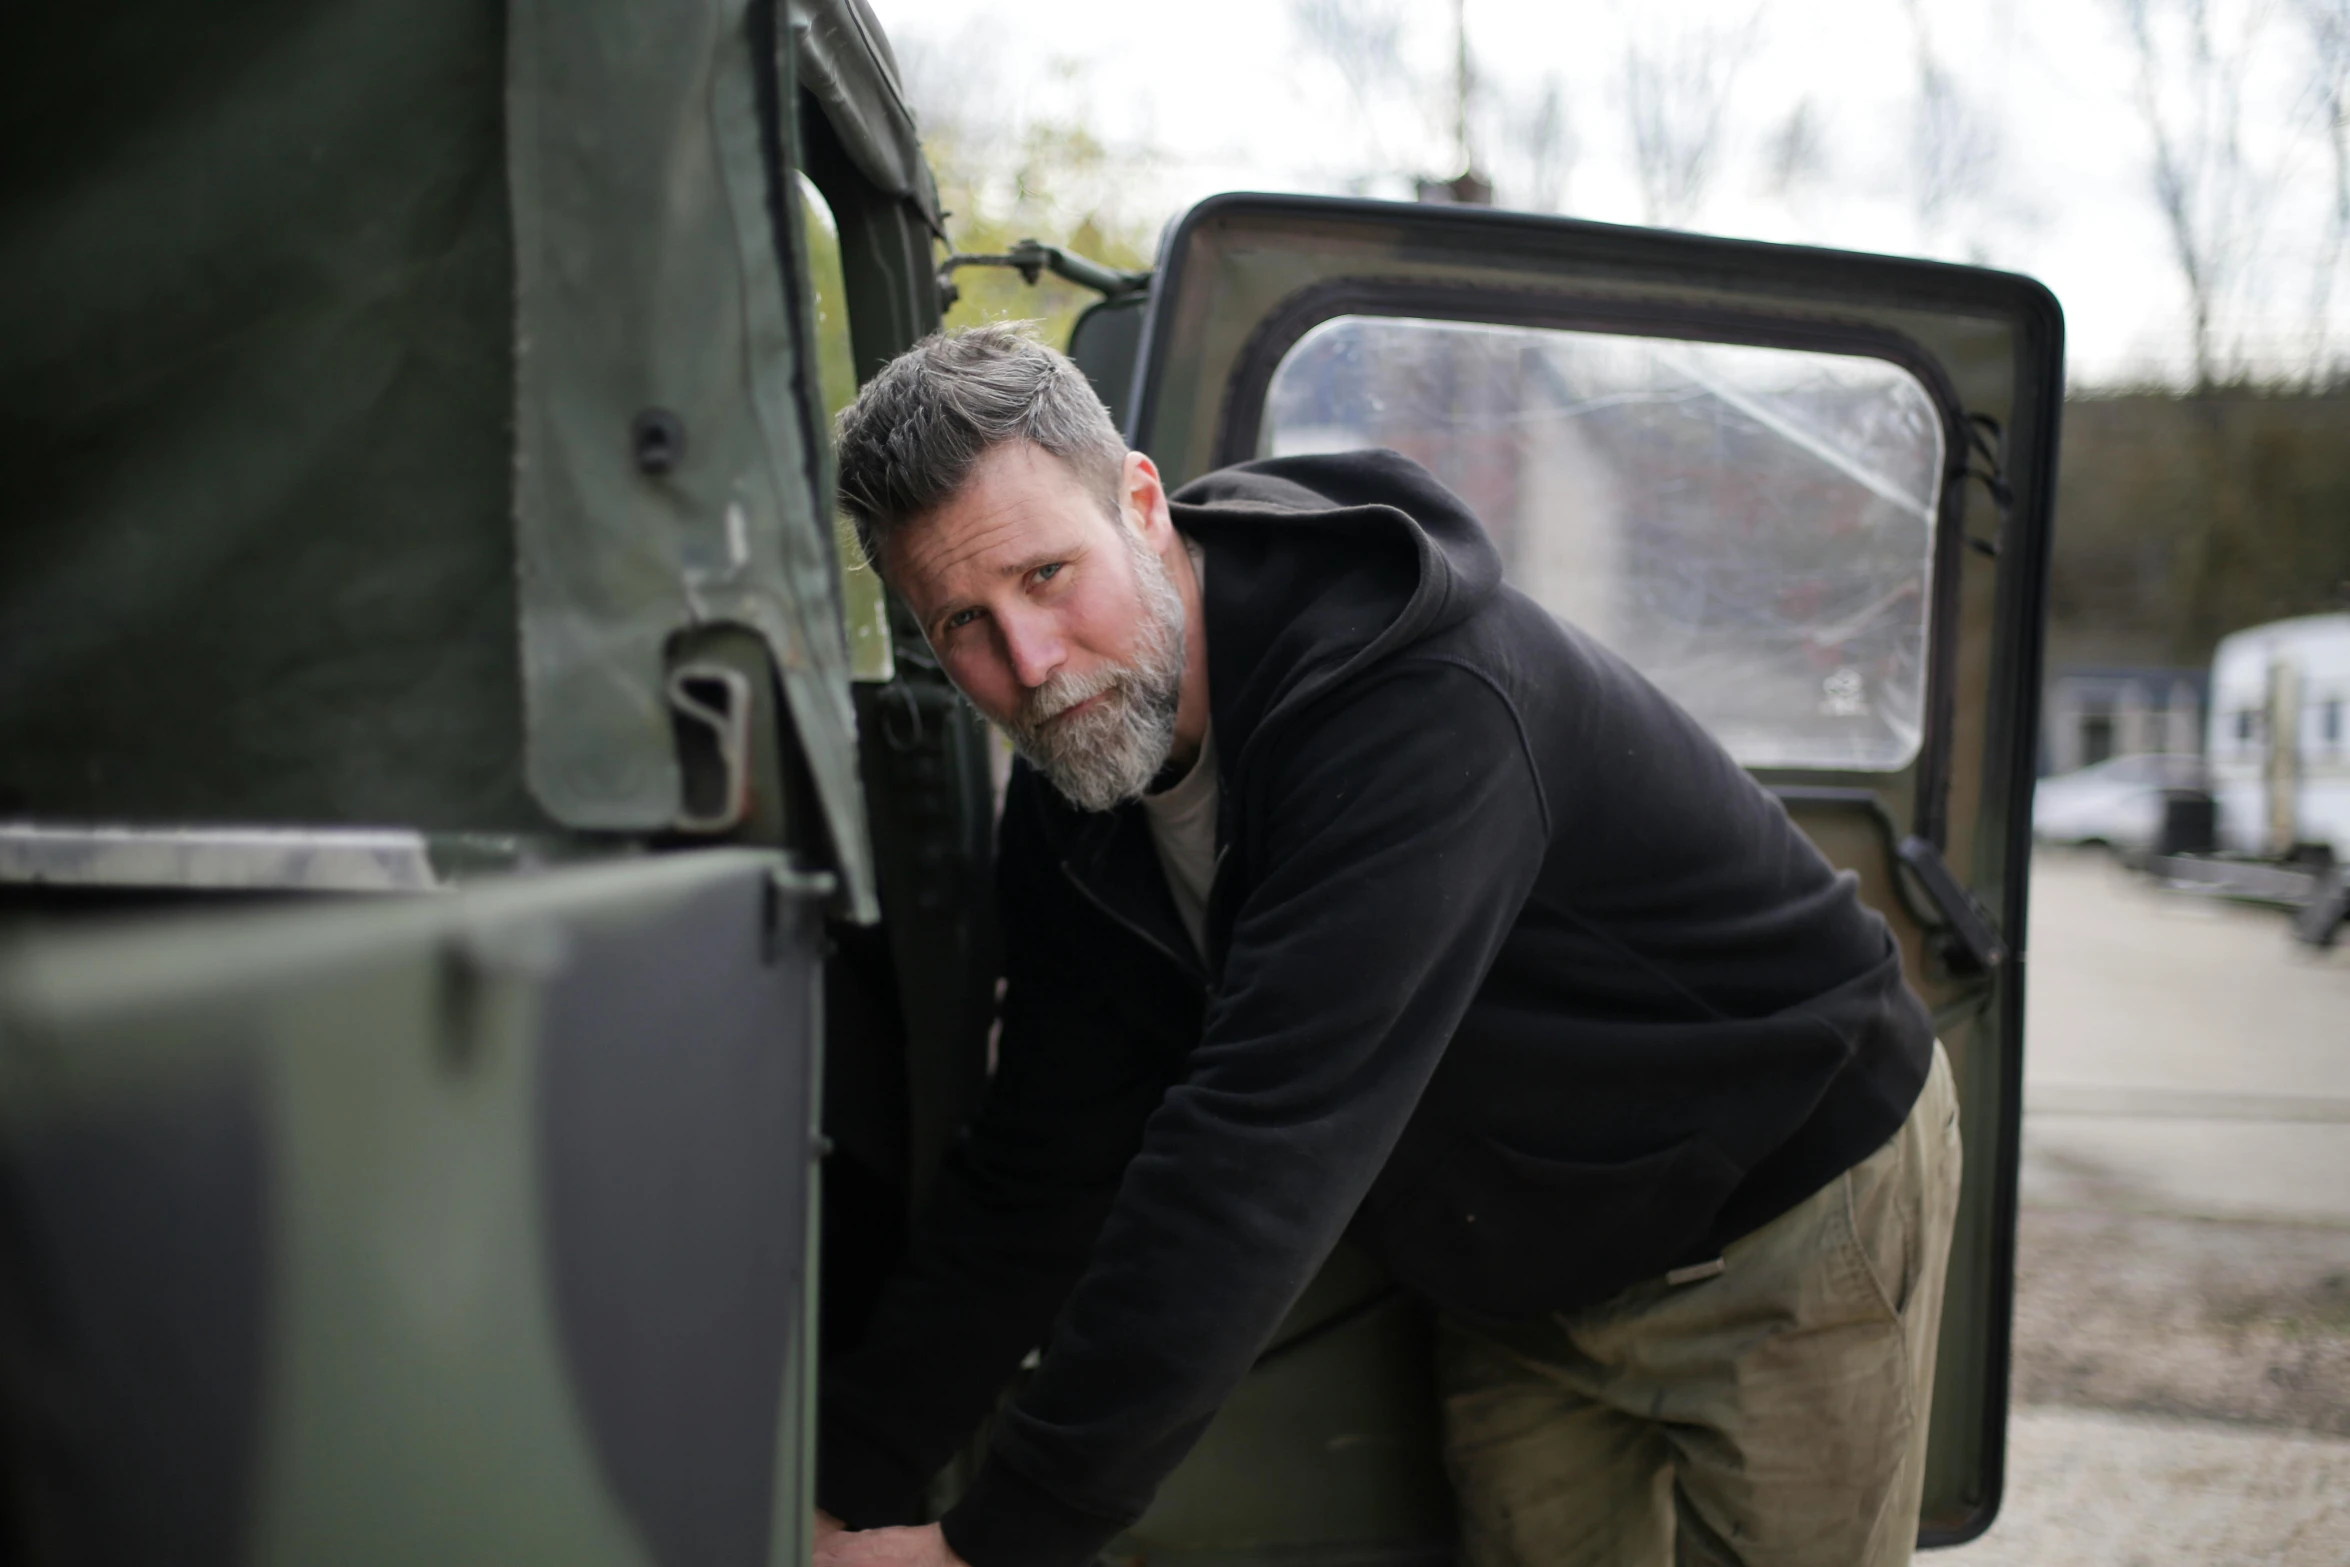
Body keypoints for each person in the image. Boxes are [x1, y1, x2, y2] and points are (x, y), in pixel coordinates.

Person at [810, 324, 1962, 1567]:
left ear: (1141, 504)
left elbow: (1261, 1147)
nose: (1028, 664)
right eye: (961, 625)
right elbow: (1045, 1162)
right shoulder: (1074, 799)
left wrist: (995, 1545)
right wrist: (839, 1482)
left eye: (1046, 575)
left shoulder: (1416, 704)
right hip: (1517, 1268)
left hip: (1781, 1208)